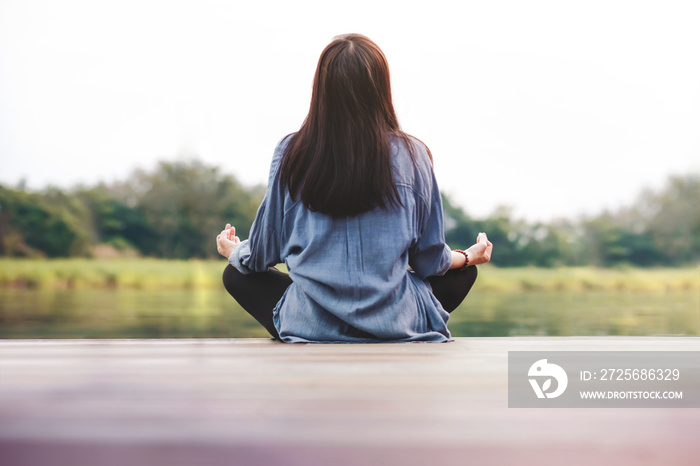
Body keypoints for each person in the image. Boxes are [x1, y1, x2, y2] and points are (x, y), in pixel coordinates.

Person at [216, 34, 492, 343]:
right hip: (397, 320)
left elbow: (262, 254)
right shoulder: (414, 154)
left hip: (309, 323)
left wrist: (235, 251)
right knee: (462, 274)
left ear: (321, 89)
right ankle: (395, 327)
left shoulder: (291, 151)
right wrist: (467, 258)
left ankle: (313, 327)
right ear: (381, 88)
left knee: (236, 274)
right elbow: (430, 261)